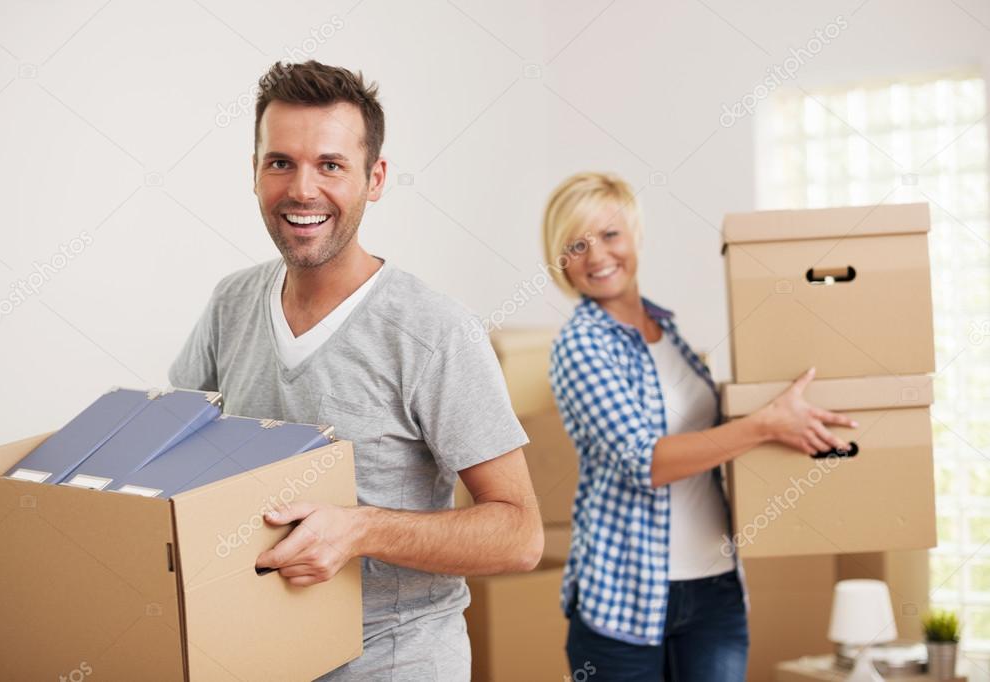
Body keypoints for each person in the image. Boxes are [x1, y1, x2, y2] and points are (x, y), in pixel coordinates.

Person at [168, 60, 544, 680]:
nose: (302, 190)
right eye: (280, 162)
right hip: (252, 653)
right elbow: (173, 457)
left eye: (331, 165)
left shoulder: (435, 332)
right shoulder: (230, 304)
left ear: (375, 179)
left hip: (392, 660)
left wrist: (361, 529)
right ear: (255, 172)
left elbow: (520, 533)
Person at [541, 172, 857, 681]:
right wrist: (766, 424)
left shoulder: (669, 333)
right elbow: (646, 461)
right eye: (576, 244)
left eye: (610, 235)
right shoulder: (580, 346)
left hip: (714, 588)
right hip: (624, 600)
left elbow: (710, 439)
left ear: (635, 235)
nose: (597, 255)